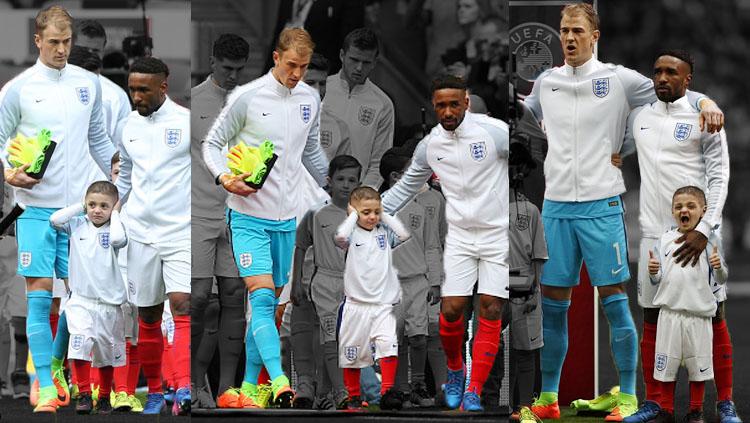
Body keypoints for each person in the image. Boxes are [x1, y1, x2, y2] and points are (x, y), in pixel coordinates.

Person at [522, 4, 724, 419]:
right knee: (554, 303)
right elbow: (528, 120)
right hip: (557, 206)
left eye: (577, 30)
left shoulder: (619, 79)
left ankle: (629, 395)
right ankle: (547, 400)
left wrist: (706, 102)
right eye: (563, 31)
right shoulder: (547, 82)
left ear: (595, 35)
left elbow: (673, 94)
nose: (569, 38)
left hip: (602, 205)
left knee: (614, 301)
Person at [202, 26, 329, 409]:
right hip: (247, 214)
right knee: (259, 298)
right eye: (291, 65)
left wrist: (340, 191)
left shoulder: (309, 98)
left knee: (273, 309)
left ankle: (247, 387)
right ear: (276, 57)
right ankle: (278, 379)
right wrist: (225, 177)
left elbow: (311, 152)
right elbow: (212, 143)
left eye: (303, 67)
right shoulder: (247, 96)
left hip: (286, 219)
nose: (297, 74)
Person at [0, 5, 116, 413]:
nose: (61, 49)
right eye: (54, 42)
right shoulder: (17, 89)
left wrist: (121, 172)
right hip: (33, 209)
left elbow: (99, 140)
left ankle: (56, 366)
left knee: (79, 301)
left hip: (78, 212)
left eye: (67, 42)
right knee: (38, 297)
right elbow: (0, 142)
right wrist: (11, 171)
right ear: (37, 41)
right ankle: (45, 385)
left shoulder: (89, 84)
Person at [618, 51, 739, 423]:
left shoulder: (704, 116)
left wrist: (705, 230)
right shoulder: (640, 118)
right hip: (655, 236)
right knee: (652, 317)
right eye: (657, 71)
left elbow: (720, 176)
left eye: (672, 72)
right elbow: (611, 150)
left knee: (713, 315)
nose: (662, 77)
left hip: (699, 237)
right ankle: (655, 403)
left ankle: (724, 403)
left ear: (688, 79)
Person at [382, 74, 508, 411]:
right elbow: (405, 188)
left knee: (491, 308)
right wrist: (365, 215)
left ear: (466, 101)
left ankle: (474, 390)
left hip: (496, 235)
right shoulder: (429, 145)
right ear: (433, 106)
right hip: (460, 237)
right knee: (451, 312)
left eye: (454, 103)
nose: (448, 111)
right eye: (441, 105)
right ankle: (455, 370)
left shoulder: (496, 132)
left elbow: (529, 156)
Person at [115, 56, 191, 415]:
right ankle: (157, 391)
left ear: (163, 86)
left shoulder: (186, 123)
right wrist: (114, 210)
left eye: (143, 89)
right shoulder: (127, 125)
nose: (136, 96)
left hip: (179, 231)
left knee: (181, 304)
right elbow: (126, 174)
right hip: (139, 232)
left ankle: (185, 389)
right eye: (132, 89)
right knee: (147, 315)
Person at [190, 33, 250, 410]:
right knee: (197, 300)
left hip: (240, 213)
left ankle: (227, 386)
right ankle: (195, 383)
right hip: (197, 211)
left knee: (233, 296)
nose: (231, 76)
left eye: (238, 70)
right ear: (212, 61)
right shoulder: (192, 101)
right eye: (226, 68)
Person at [646, 186, 725, 423]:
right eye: (679, 206)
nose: (684, 210)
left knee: (698, 368)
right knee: (666, 367)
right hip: (669, 314)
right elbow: (658, 279)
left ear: (703, 210)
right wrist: (654, 273)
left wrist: (719, 266)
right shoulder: (665, 239)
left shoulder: (711, 242)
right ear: (672, 211)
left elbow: (721, 280)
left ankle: (695, 411)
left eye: (691, 206)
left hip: (699, 316)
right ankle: (667, 410)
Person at [49, 181, 127, 415]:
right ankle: (83, 393)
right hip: (80, 301)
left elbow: (117, 240)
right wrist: (80, 207)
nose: (97, 210)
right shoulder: (77, 225)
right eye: (92, 204)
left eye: (104, 206)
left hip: (108, 304)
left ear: (113, 208)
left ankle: (103, 396)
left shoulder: (115, 229)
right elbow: (55, 220)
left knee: (105, 355)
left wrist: (115, 215)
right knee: (79, 346)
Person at [291, 155, 362, 409]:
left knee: (344, 339)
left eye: (351, 180)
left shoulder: (363, 215)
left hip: (353, 284)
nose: (345, 185)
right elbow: (300, 247)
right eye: (340, 179)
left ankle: (324, 393)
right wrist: (297, 282)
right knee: (330, 335)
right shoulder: (316, 212)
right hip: (324, 282)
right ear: (329, 182)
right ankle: (342, 392)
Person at [334, 186, 410, 410]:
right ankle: (354, 395)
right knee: (353, 352)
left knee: (388, 345)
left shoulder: (383, 233)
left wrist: (384, 214)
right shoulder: (351, 234)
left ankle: (387, 393)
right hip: (356, 305)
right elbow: (340, 237)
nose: (372, 217)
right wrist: (353, 217)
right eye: (366, 212)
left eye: (376, 212)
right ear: (355, 212)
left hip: (382, 305)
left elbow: (404, 234)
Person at [379, 149, 441, 408]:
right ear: (395, 177)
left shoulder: (421, 207)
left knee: (419, 336)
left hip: (418, 282)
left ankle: (418, 385)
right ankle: (398, 389)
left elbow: (432, 245)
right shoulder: (377, 207)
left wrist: (435, 280)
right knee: (395, 338)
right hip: (389, 284)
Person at [324, 28, 394, 188]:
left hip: (355, 194)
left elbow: (379, 162)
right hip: (313, 190)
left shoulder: (383, 104)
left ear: (375, 62)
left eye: (366, 62)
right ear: (342, 55)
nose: (359, 68)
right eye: (354, 60)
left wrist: (362, 197)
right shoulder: (320, 89)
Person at [507, 142, 547, 422]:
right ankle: (493, 403)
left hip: (523, 286)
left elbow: (538, 255)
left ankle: (524, 408)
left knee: (524, 351)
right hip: (490, 286)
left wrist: (534, 289)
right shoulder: (482, 208)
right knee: (494, 352)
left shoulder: (530, 210)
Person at [304, 53, 351, 161]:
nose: (317, 90)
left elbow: (343, 174)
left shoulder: (340, 128)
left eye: (322, 84)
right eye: (310, 83)